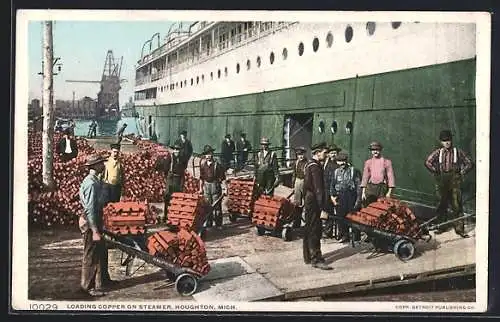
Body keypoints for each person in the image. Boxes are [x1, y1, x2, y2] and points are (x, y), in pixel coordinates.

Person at [78, 154, 116, 297]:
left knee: (101, 252)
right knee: (91, 254)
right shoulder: (91, 184)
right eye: (101, 163)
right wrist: (94, 230)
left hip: (97, 220)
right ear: (95, 166)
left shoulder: (95, 180)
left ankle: (103, 281)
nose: (103, 165)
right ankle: (87, 287)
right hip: (90, 223)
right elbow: (90, 209)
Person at [424, 130, 474, 237]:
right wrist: (435, 170)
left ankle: (460, 229)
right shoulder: (438, 152)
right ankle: (441, 226)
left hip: (455, 180)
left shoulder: (458, 152)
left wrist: (462, 172)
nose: (447, 143)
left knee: (456, 204)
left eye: (448, 140)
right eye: (444, 141)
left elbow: (469, 163)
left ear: (451, 141)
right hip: (442, 179)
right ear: (441, 142)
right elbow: (427, 162)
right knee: (441, 204)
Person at [303, 142, 332, 270]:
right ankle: (316, 259)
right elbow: (319, 189)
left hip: (309, 200)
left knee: (309, 227)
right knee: (315, 229)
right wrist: (323, 209)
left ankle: (308, 256)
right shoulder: (315, 167)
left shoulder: (309, 164)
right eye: (324, 153)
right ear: (317, 153)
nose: (326, 155)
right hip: (314, 201)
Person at [329, 151, 362, 243]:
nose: (342, 163)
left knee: (354, 216)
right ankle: (344, 235)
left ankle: (356, 236)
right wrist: (333, 197)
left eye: (343, 161)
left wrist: (358, 200)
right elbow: (332, 186)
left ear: (346, 161)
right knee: (341, 217)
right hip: (340, 196)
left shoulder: (353, 170)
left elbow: (358, 186)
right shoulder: (336, 172)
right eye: (339, 161)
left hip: (351, 196)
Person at [360, 141, 396, 206]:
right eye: (373, 150)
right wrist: (363, 192)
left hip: (381, 189)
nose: (375, 152)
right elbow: (365, 178)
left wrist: (389, 192)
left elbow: (390, 177)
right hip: (370, 189)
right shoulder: (368, 162)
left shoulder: (387, 162)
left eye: (377, 149)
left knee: (380, 208)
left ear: (380, 150)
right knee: (369, 207)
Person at [199, 145, 226, 227]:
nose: (208, 156)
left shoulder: (217, 165)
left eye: (209, 154)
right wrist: (200, 188)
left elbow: (223, 177)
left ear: (212, 154)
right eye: (206, 154)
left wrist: (225, 189)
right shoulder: (203, 165)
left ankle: (218, 224)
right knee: (207, 206)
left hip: (215, 187)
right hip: (206, 187)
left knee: (217, 206)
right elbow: (201, 178)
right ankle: (209, 223)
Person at [155, 143, 186, 213]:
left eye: (178, 150)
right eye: (175, 149)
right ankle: (166, 214)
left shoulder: (182, 159)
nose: (176, 151)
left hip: (178, 178)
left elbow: (183, 171)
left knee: (178, 196)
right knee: (167, 195)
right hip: (171, 178)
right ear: (173, 150)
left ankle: (175, 212)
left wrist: (182, 183)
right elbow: (165, 167)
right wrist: (167, 177)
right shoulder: (170, 157)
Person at [322, 144, 342, 238]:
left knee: (338, 211)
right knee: (327, 210)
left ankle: (340, 233)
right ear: (328, 154)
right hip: (326, 190)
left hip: (336, 191)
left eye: (335, 153)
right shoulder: (325, 163)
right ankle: (328, 231)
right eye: (331, 153)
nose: (333, 155)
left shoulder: (339, 164)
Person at [292, 146, 308, 226]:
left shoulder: (307, 163)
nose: (300, 156)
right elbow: (294, 174)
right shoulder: (296, 162)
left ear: (304, 154)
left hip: (305, 182)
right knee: (297, 202)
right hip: (297, 181)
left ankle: (304, 222)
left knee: (305, 202)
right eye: (298, 155)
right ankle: (296, 221)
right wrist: (293, 185)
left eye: (302, 154)